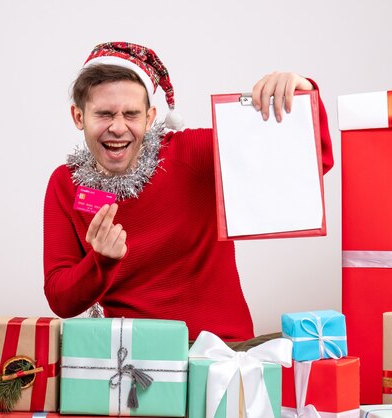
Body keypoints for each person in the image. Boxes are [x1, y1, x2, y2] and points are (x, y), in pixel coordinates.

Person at [43, 42, 333, 342]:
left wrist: (302, 93)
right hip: (134, 359)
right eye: (104, 114)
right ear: (78, 117)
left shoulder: (193, 154)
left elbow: (311, 166)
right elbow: (61, 300)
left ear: (150, 116)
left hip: (222, 350)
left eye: (131, 114)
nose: (118, 127)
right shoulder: (66, 185)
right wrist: (100, 262)